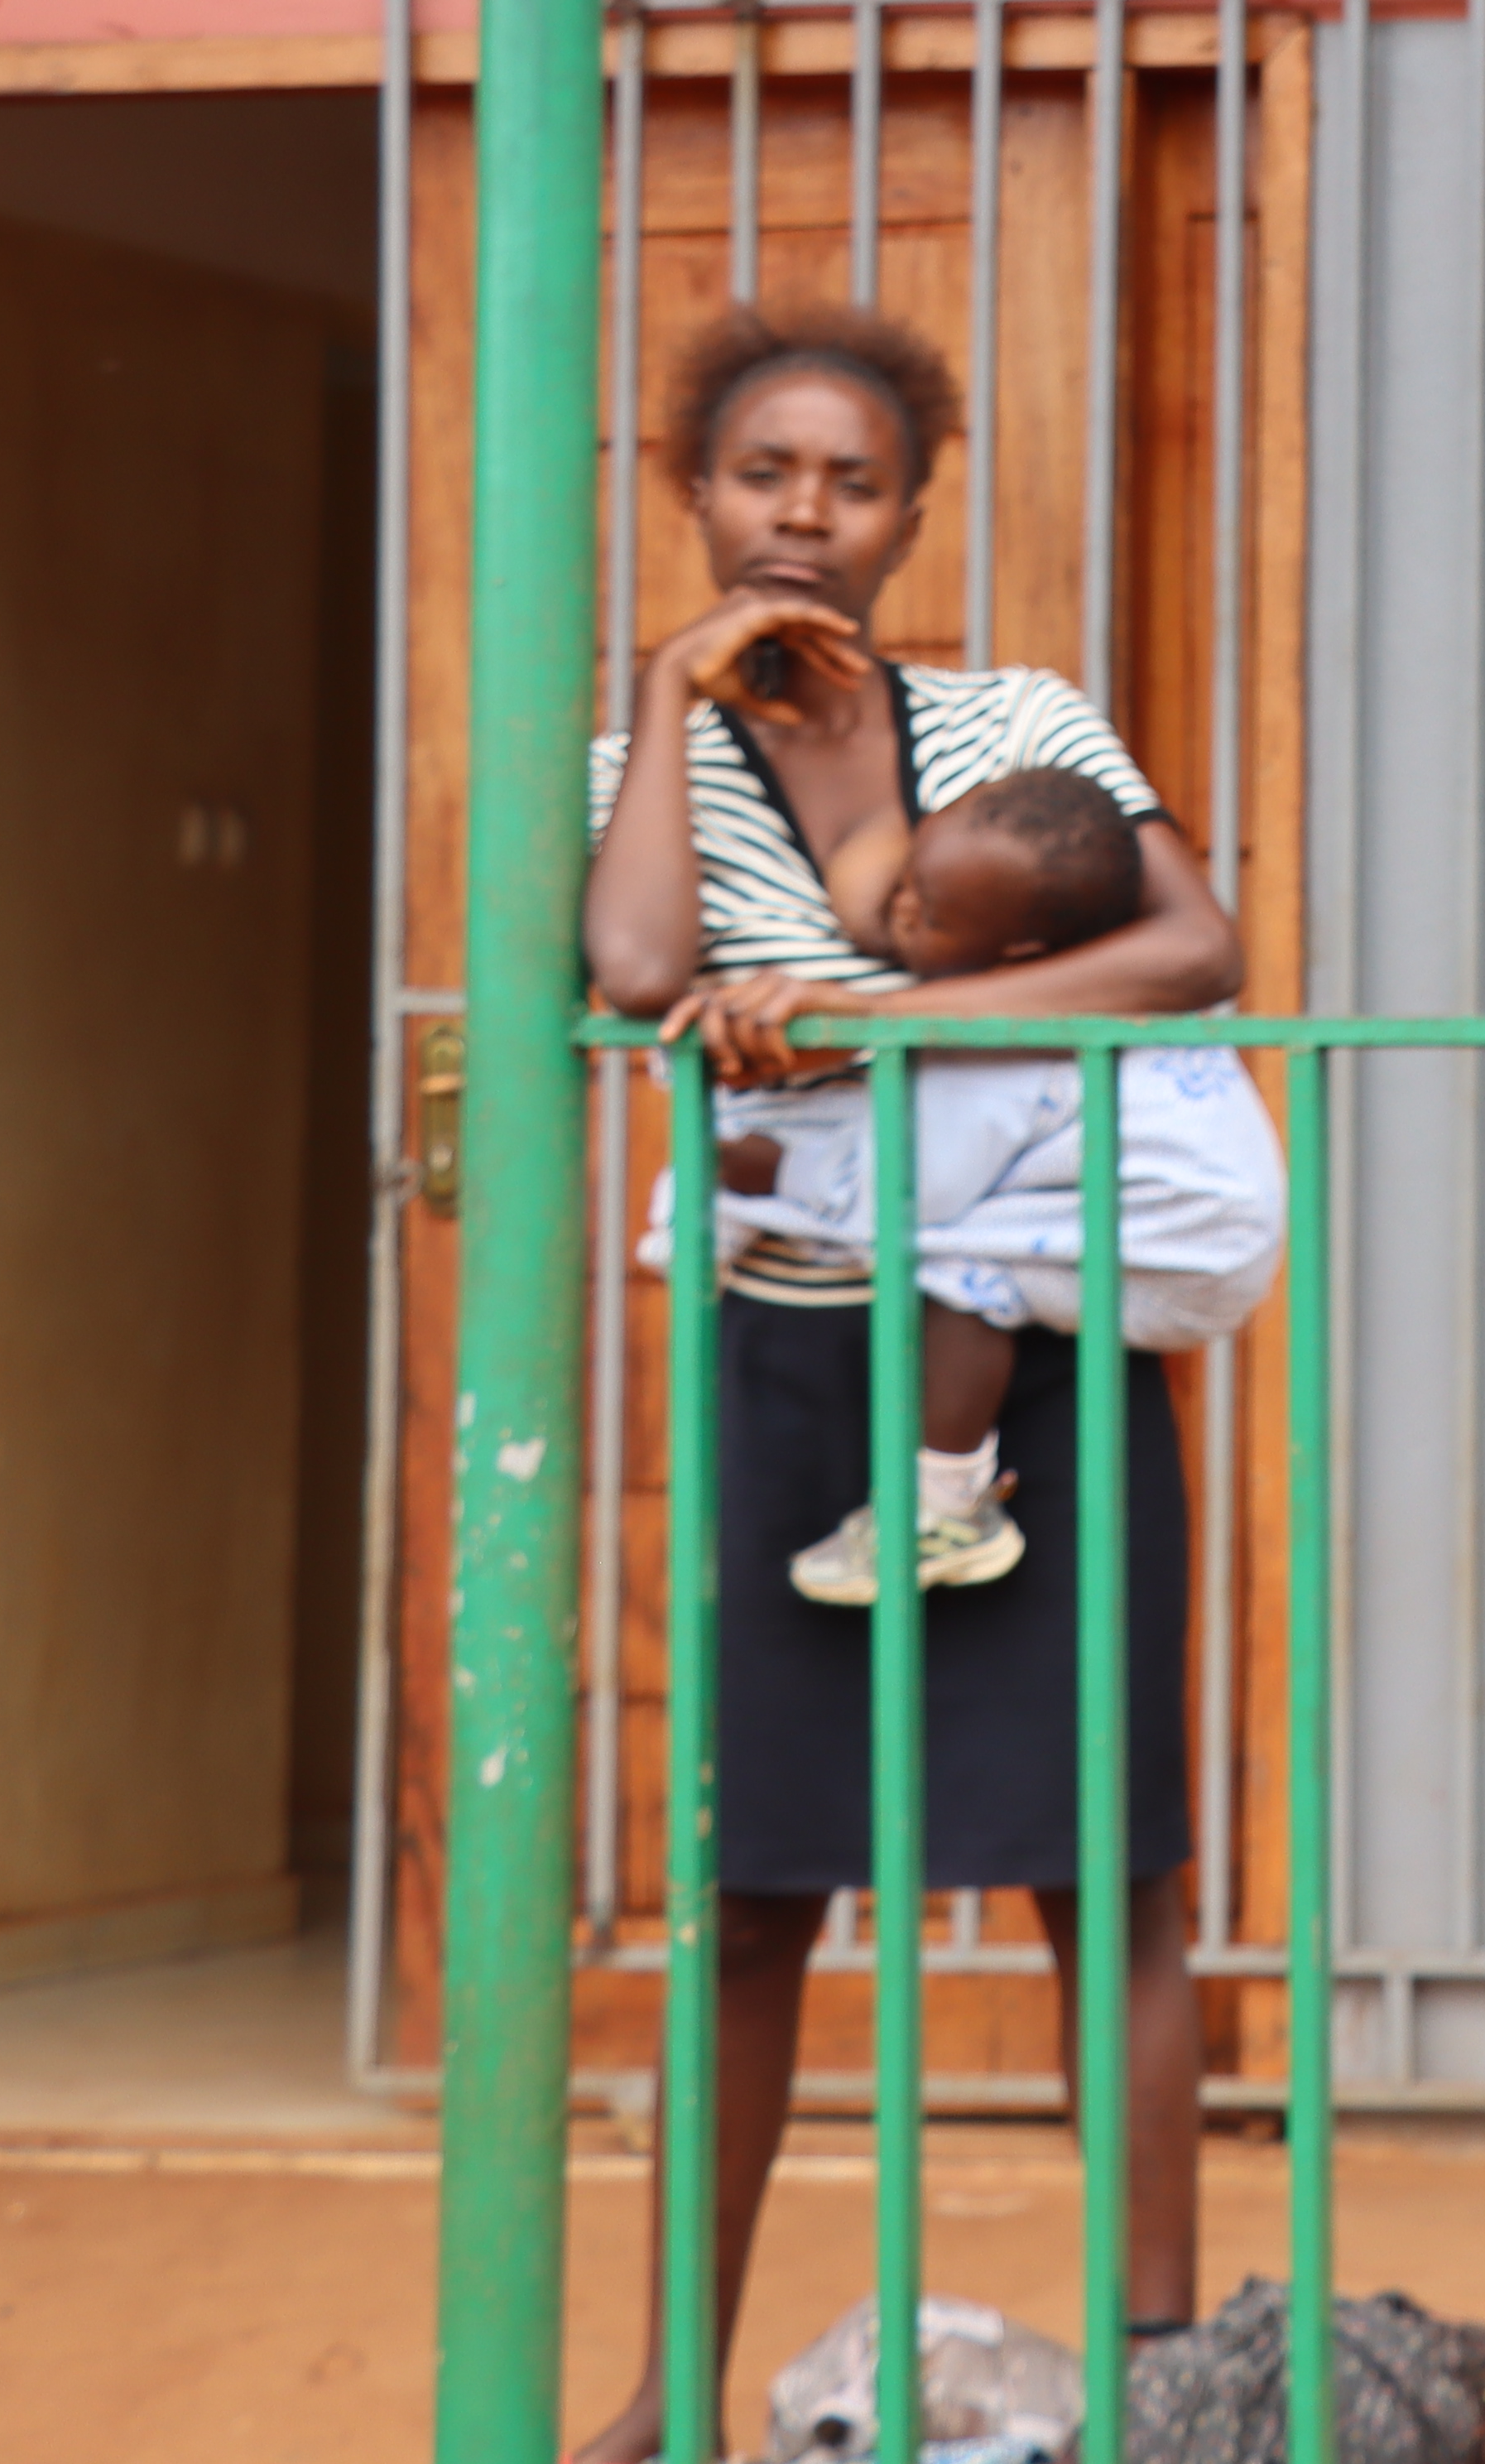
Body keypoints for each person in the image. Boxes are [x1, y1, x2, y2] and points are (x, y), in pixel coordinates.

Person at [569, 306, 1252, 2464]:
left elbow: (1188, 950)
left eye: (852, 482)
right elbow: (641, 974)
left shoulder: (1016, 718)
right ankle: (682, 2394)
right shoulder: (644, 758)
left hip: (1032, 1341)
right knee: (756, 1889)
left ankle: (1156, 2390)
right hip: (793, 1345)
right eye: (767, 473)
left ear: (910, 510)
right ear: (697, 490)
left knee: (1107, 1868)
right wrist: (673, 696)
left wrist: (875, 1032)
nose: (805, 513)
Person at [658, 764, 1291, 1606]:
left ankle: (945, 1509)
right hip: (1198, 1216)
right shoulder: (1085, 984)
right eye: (910, 880)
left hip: (1177, 1238)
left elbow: (918, 1190)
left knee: (959, 1269)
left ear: (1020, 950)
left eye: (930, 910)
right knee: (965, 1259)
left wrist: (776, 1172)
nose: (902, 910)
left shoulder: (1000, 1051)